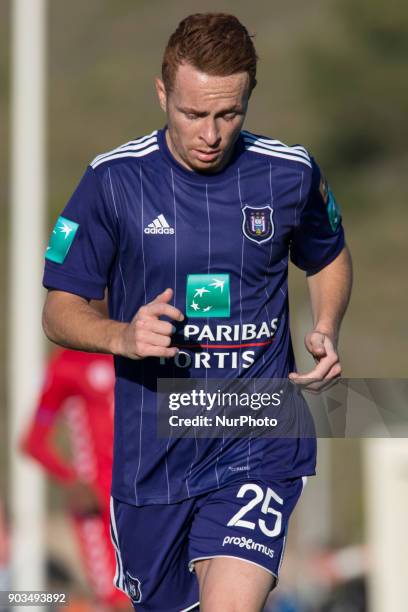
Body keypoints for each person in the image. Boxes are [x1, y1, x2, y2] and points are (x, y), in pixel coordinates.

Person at [41, 12, 352, 612]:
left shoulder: (289, 173)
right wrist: (122, 336)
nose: (210, 132)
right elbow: (58, 310)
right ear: (162, 93)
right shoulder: (113, 182)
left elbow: (329, 258)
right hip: (153, 455)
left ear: (249, 99)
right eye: (192, 114)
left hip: (258, 433)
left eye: (228, 114)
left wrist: (325, 325)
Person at [21, 349, 130, 611]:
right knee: (118, 601)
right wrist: (72, 481)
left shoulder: (145, 348)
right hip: (99, 510)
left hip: (148, 500)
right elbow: (34, 442)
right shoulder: (69, 363)